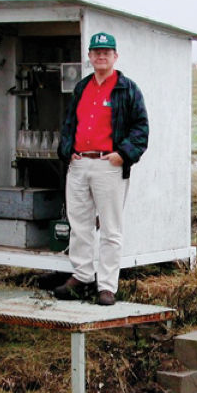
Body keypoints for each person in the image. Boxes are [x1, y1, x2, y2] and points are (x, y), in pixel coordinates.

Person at [54, 33, 149, 306]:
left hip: (108, 165)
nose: (101, 56)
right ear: (90, 57)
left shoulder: (127, 89)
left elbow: (140, 128)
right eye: (96, 52)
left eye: (106, 52)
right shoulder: (82, 87)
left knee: (110, 228)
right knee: (79, 225)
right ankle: (82, 276)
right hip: (79, 163)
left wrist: (123, 155)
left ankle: (107, 286)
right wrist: (66, 150)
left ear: (115, 56)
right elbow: (69, 123)